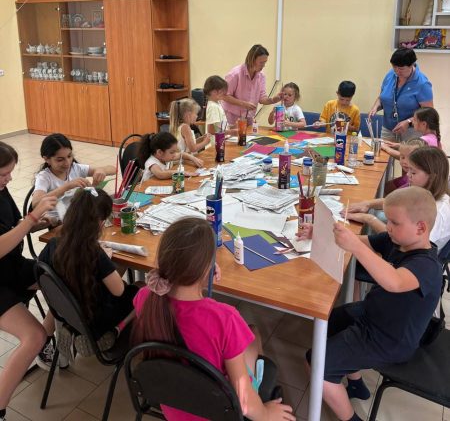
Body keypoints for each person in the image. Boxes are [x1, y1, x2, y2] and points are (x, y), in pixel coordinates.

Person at [298, 187, 442, 421]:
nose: (388, 227)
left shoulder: (427, 266)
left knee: (317, 365)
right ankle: (356, 385)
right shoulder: (398, 241)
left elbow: (394, 281)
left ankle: (351, 418)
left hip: (389, 340)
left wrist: (354, 246)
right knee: (324, 327)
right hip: (372, 316)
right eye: (388, 221)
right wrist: (320, 233)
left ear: (421, 228)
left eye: (394, 222)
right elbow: (361, 241)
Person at [132, 217, 295, 421]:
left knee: (246, 337)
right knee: (253, 335)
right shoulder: (225, 318)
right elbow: (244, 400)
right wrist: (266, 414)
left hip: (171, 403)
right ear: (205, 269)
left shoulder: (146, 297)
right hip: (218, 411)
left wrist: (199, 274)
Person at [38, 188, 138, 353]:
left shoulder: (54, 244)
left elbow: (41, 273)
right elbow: (119, 290)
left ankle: (72, 329)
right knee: (142, 292)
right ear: (100, 222)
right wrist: (106, 260)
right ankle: (116, 330)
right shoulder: (94, 253)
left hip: (69, 311)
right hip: (95, 315)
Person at [0, 141, 57, 417]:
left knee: (65, 280)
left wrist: (42, 222)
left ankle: (48, 339)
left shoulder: (1, 190)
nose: (9, 178)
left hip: (11, 267)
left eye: (10, 172)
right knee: (31, 337)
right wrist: (33, 217)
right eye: (3, 174)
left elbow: (14, 227)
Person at [348, 147, 450, 253]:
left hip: (405, 257)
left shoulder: (439, 212)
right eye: (409, 170)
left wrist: (370, 219)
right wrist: (367, 204)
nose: (408, 175)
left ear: (432, 177)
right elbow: (398, 202)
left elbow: (406, 242)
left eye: (413, 173)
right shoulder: (423, 192)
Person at [32, 133, 116, 219]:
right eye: (60, 160)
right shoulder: (44, 177)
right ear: (47, 159)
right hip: (57, 222)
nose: (67, 163)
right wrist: (67, 187)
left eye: (69, 156)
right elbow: (35, 204)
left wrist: (101, 170)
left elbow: (113, 169)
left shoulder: (75, 168)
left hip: (78, 217)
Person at [368, 48, 433, 141]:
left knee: (407, 151)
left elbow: (428, 112)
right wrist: (375, 107)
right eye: (394, 67)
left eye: (401, 69)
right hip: (388, 129)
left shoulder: (422, 83)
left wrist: (408, 121)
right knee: (384, 150)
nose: (397, 71)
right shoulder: (391, 74)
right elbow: (382, 97)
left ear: (411, 65)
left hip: (411, 131)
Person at [221, 45, 282, 127]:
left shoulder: (261, 76)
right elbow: (224, 96)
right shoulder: (235, 74)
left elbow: (262, 98)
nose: (263, 65)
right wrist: (243, 104)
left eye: (265, 62)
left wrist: (273, 100)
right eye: (261, 62)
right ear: (252, 60)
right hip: (231, 118)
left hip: (248, 118)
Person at [138, 132, 202, 182]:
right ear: (160, 152)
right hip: (145, 191)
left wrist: (193, 158)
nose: (174, 154)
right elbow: (161, 174)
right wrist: (182, 173)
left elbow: (181, 154)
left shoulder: (164, 157)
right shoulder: (151, 162)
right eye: (172, 152)